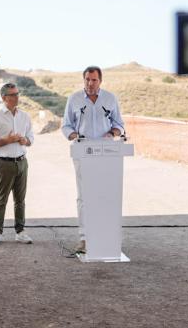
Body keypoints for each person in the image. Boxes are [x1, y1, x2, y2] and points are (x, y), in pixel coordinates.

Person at [61, 66, 125, 254]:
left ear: (100, 81)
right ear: (84, 80)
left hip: (106, 152)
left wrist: (113, 132)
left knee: (104, 195)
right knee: (84, 196)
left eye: (94, 80)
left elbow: (119, 123)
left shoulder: (110, 99)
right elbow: (66, 125)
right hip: (82, 151)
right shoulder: (74, 99)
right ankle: (84, 238)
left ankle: (104, 236)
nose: (90, 83)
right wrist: (73, 135)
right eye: (87, 79)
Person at [0, 82, 34, 246]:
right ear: (4, 97)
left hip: (21, 162)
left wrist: (24, 140)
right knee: (2, 200)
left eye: (18, 93)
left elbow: (31, 139)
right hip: (4, 164)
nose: (17, 97)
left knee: (20, 200)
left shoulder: (25, 116)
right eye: (13, 94)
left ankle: (20, 232)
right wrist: (7, 140)